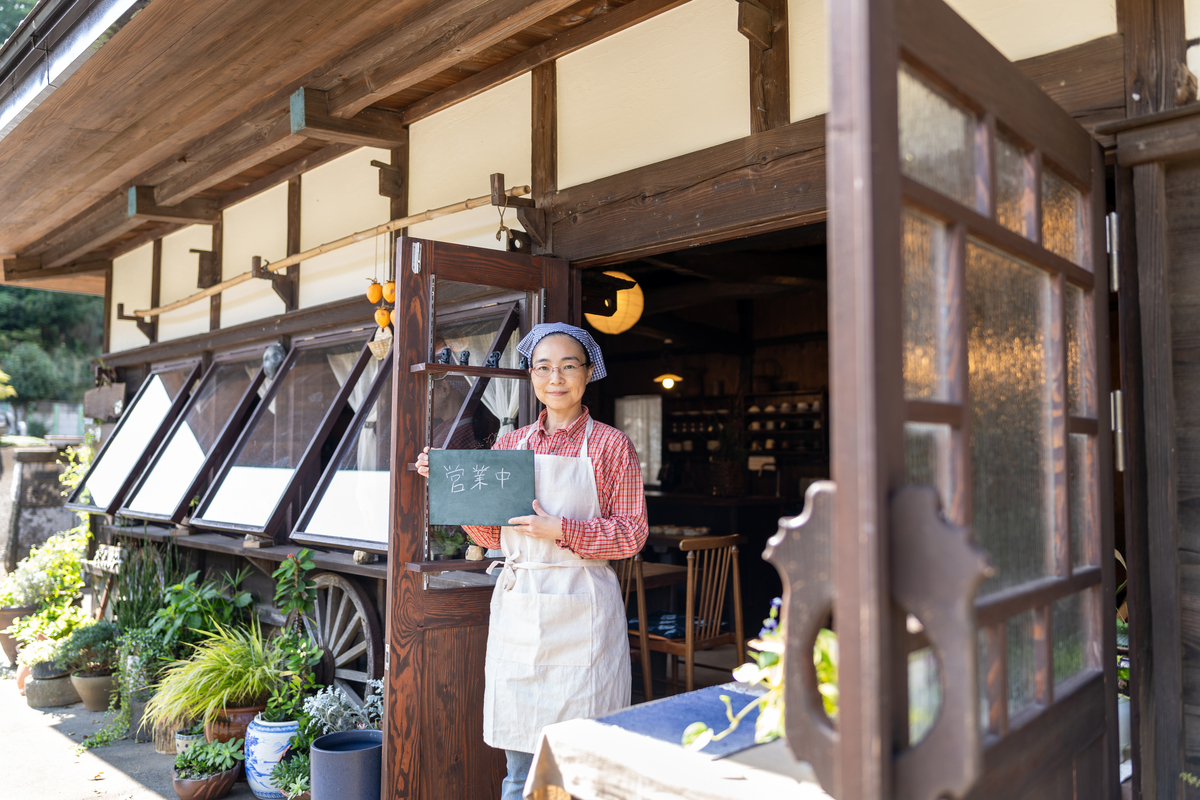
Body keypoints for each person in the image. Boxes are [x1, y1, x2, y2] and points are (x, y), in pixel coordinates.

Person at [416, 322, 648, 800]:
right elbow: (489, 533)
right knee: (520, 773)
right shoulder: (511, 444)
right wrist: (446, 483)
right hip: (521, 608)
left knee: (582, 770)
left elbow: (631, 535)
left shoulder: (611, 445)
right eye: (543, 367)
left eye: (568, 366)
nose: (555, 377)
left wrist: (562, 529)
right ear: (531, 376)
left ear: (588, 374)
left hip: (584, 612)